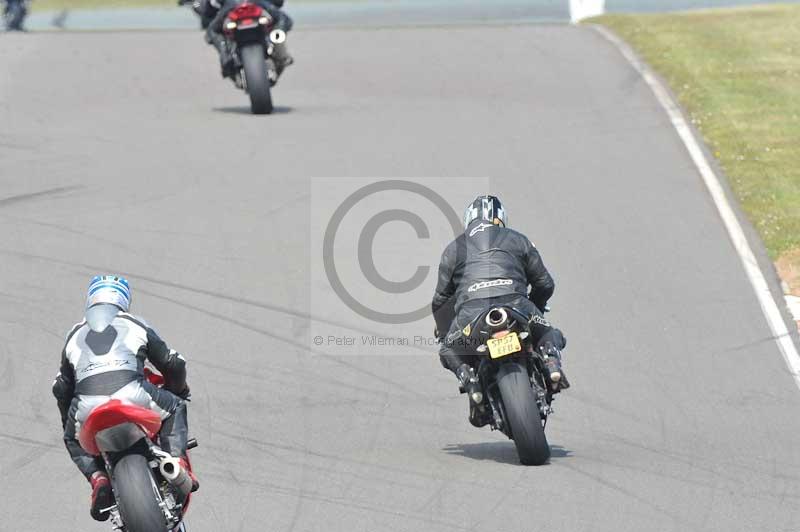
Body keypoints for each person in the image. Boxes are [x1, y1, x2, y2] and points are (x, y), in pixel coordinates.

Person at [52, 276, 198, 522]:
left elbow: (60, 389)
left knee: (70, 437)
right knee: (175, 407)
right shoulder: (134, 323)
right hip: (134, 395)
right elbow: (173, 363)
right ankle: (178, 463)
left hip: (87, 408)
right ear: (123, 300)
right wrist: (178, 389)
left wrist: (71, 421)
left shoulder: (73, 335)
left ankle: (98, 479)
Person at [432, 195, 569, 417]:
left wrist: (446, 331)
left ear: (469, 220)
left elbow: (440, 301)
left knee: (448, 348)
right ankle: (551, 361)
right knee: (550, 333)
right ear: (501, 219)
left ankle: (470, 379)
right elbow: (545, 283)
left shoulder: (452, 249)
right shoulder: (518, 239)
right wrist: (537, 309)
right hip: (516, 304)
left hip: (472, 315)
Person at [204, 0, 294, 78]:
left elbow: (210, 9)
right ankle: (280, 51)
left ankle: (225, 57)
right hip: (255, 5)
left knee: (212, 32)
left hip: (234, 7)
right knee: (283, 20)